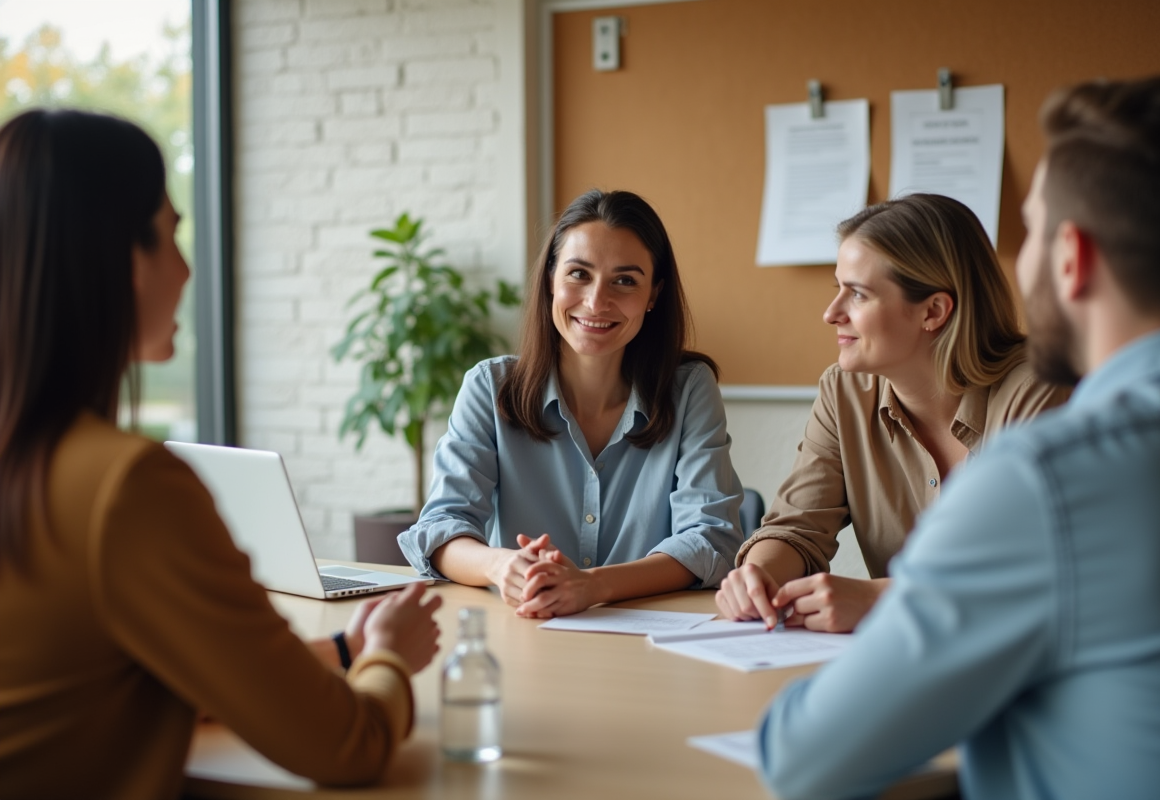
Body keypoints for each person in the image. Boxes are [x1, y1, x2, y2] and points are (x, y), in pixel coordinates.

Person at [757, 76, 1160, 800]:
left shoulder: (1046, 477)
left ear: (1071, 259)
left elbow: (803, 759)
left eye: (1028, 233)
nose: (1017, 270)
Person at [0, 109, 442, 799]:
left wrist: (348, 649)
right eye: (170, 235)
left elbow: (137, 676)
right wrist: (389, 658)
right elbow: (347, 745)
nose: (185, 268)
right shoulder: (125, 488)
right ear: (118, 256)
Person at [716, 193, 1068, 632]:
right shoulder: (844, 391)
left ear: (933, 311)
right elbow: (797, 527)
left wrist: (879, 597)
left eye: (858, 294)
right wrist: (759, 575)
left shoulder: (1040, 391)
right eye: (837, 288)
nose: (830, 313)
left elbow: (1034, 567)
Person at [400, 189, 743, 618]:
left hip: (649, 645)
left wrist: (591, 586)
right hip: (526, 634)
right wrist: (502, 565)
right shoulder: (489, 388)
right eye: (578, 274)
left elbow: (710, 540)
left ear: (653, 294)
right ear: (550, 280)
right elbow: (439, 530)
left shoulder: (690, 389)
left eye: (625, 280)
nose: (597, 301)